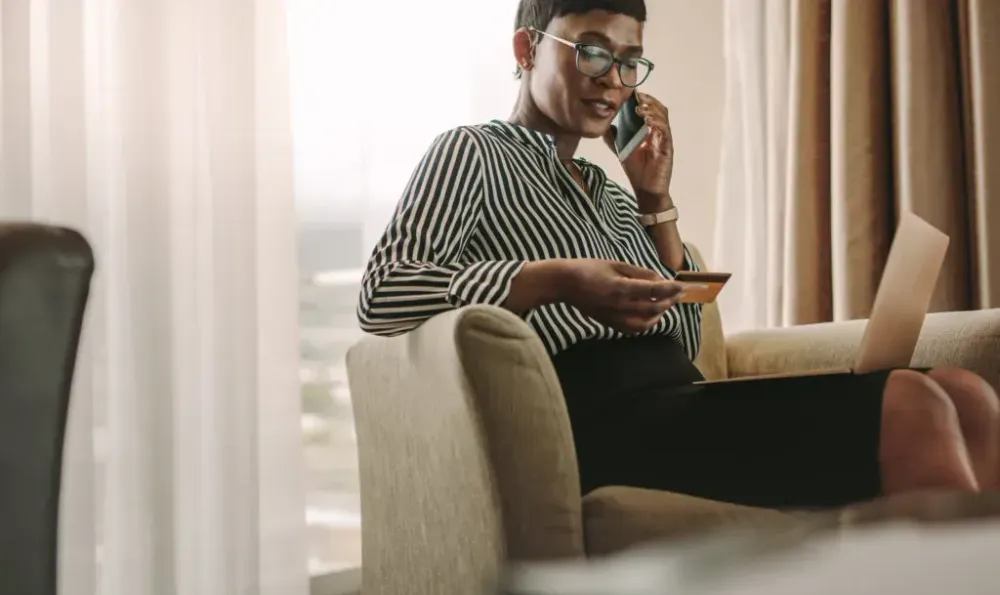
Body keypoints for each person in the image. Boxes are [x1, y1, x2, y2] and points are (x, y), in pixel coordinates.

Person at [357, 0, 1000, 509]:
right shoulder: (473, 151)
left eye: (629, 62)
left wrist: (655, 198)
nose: (612, 80)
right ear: (527, 49)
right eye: (591, 53)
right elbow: (382, 291)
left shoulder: (610, 193)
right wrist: (557, 280)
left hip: (676, 399)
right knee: (911, 406)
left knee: (964, 393)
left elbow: (687, 342)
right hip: (599, 418)